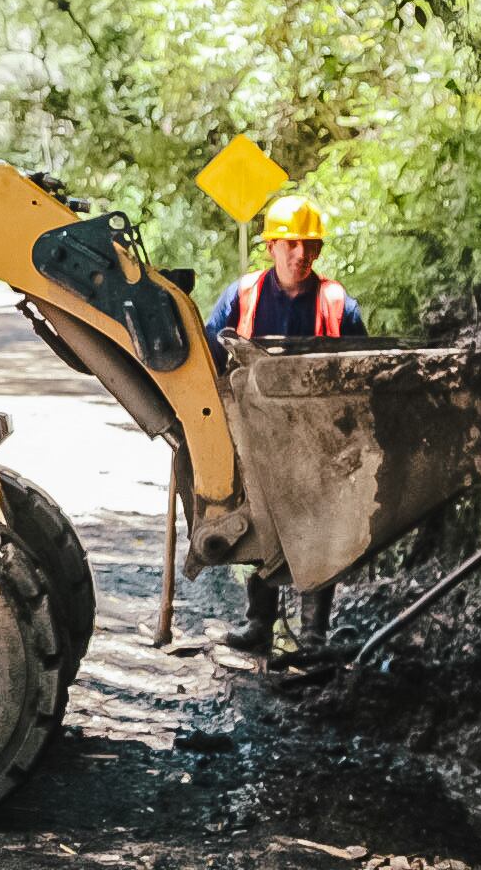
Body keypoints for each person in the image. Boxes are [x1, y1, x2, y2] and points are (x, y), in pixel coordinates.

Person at [203, 194, 368, 652]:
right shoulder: (243, 296)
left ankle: (314, 630)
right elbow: (209, 363)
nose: (301, 254)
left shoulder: (338, 304)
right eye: (291, 243)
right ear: (271, 246)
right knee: (263, 524)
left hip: (320, 436)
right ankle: (260, 622)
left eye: (309, 245)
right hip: (258, 436)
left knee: (322, 527)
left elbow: (363, 376)